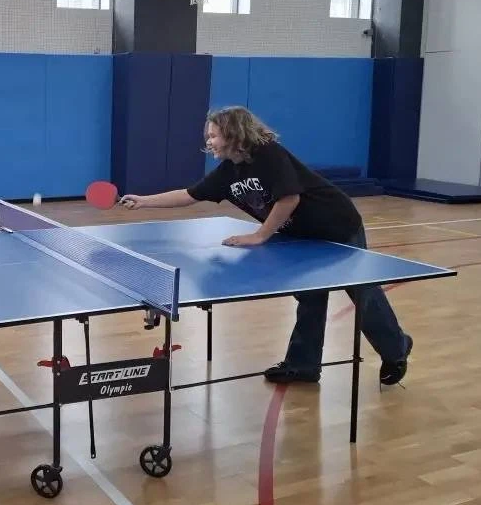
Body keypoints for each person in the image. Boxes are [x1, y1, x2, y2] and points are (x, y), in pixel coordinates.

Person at [121, 106, 412, 387]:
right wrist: (144, 201)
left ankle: (396, 348)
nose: (208, 142)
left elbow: (290, 198)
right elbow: (189, 195)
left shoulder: (269, 154)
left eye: (213, 135)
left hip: (337, 223)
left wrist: (260, 235)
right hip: (302, 234)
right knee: (310, 296)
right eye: (208, 136)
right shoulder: (227, 172)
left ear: (233, 133)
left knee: (362, 293)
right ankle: (303, 366)